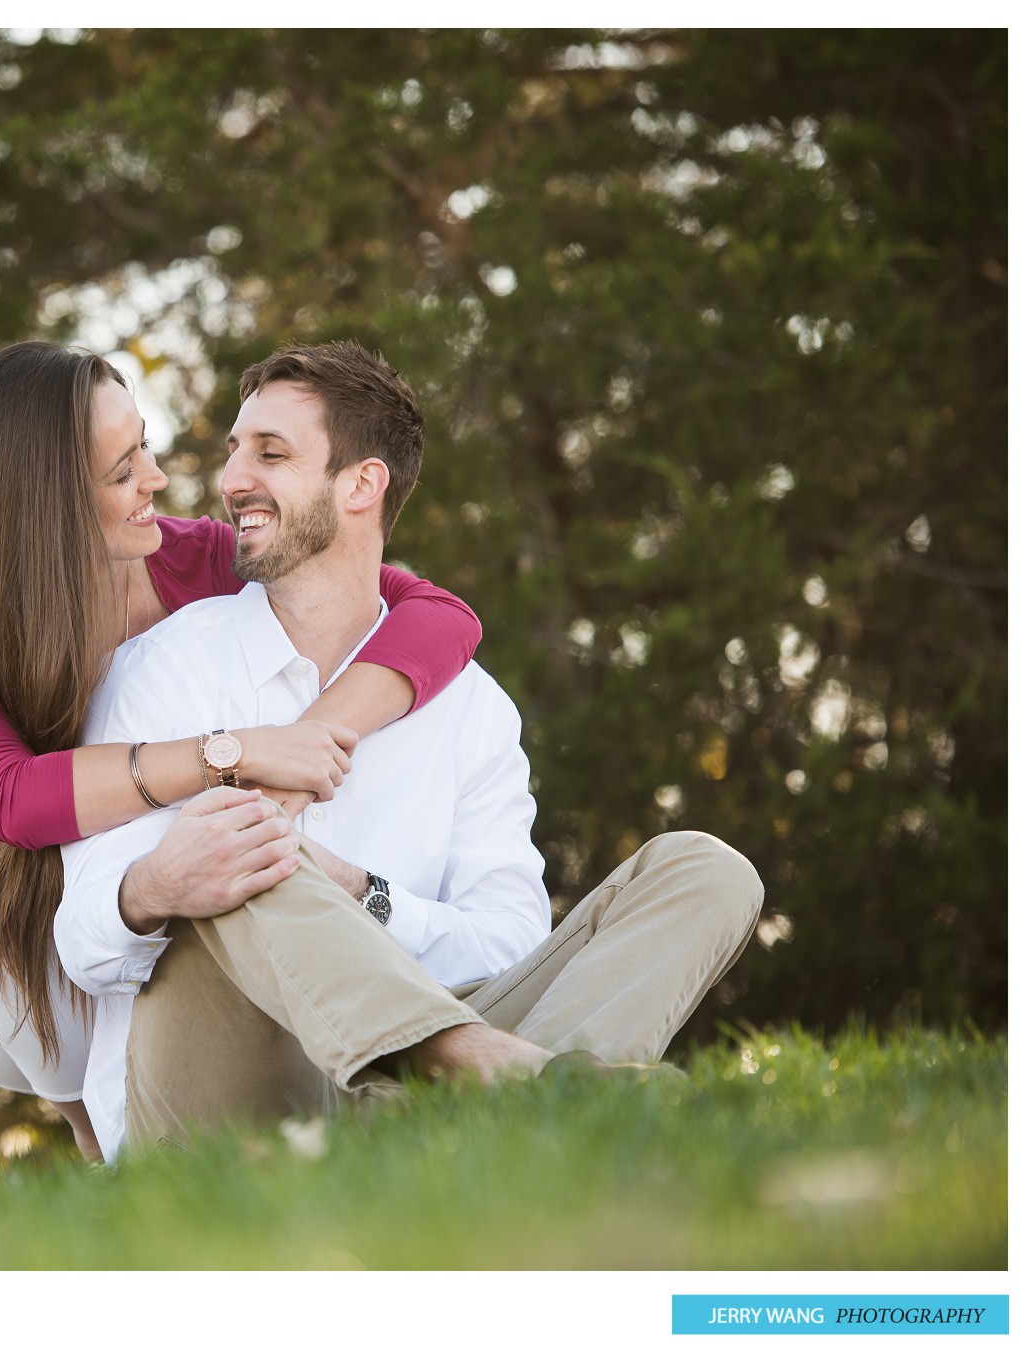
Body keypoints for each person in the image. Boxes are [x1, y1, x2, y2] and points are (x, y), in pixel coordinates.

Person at [56, 340, 765, 1163]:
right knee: (244, 844)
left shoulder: (472, 710)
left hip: (428, 1059)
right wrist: (158, 882)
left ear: (363, 484)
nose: (231, 480)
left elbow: (508, 946)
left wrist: (360, 891)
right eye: (235, 451)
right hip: (232, 1094)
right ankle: (506, 1086)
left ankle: (493, 1115)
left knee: (705, 869)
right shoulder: (163, 667)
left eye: (271, 453)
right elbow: (81, 939)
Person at [0, 341, 486, 1160]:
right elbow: (5, 797)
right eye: (123, 468)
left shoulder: (201, 556)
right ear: (49, 500)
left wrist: (312, 742)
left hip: (168, 894)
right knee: (69, 1021)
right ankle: (97, 1146)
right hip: (13, 953)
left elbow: (442, 616)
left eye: (145, 445)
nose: (158, 479)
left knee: (236, 879)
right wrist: (236, 751)